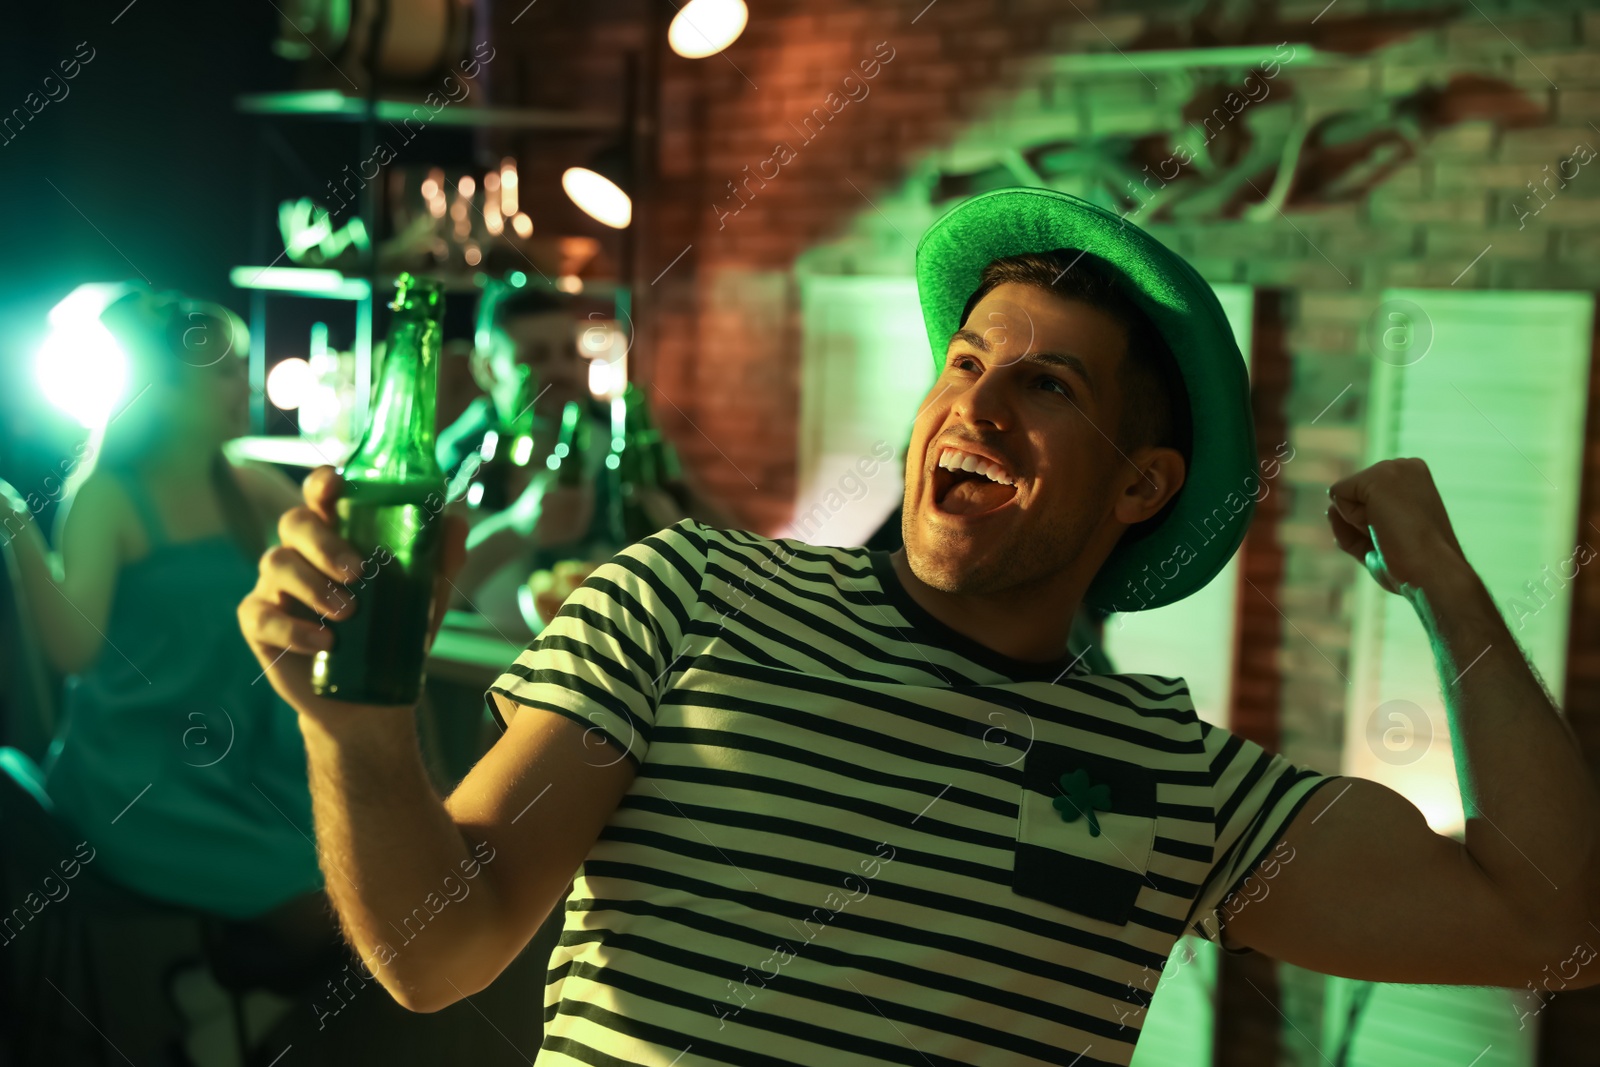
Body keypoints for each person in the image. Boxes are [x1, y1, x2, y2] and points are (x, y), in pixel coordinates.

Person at [238, 188, 1600, 1065]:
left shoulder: (1174, 776)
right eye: (966, 360)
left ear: (1140, 484)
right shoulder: (691, 596)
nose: (980, 405)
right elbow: (436, 946)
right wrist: (356, 737)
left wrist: (1451, 585)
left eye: (1049, 383)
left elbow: (1551, 922)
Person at [0, 288, 328, 926]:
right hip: (135, 785)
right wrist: (15, 522)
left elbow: (345, 575)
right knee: (323, 904)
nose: (247, 384)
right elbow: (75, 650)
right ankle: (212, 1011)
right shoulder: (108, 497)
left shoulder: (245, 483)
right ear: (165, 387)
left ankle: (208, 1007)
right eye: (228, 370)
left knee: (352, 884)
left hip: (233, 772)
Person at [439, 279, 721, 629]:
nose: (561, 369)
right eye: (536, 356)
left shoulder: (620, 440)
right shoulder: (460, 454)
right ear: (486, 369)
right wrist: (516, 528)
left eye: (570, 353)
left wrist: (681, 508)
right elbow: (433, 588)